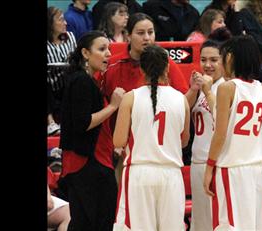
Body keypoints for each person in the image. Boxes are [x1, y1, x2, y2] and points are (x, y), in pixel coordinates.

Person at [99, 12, 197, 186]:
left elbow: (183, 104)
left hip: (161, 152)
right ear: (128, 35)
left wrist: (194, 90)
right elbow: (103, 107)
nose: (147, 38)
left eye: (150, 32)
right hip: (124, 153)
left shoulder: (165, 63)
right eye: (141, 33)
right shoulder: (112, 66)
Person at [112, 44, 190, 231]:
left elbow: (118, 141)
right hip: (171, 174)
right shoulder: (182, 99)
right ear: (168, 67)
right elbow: (184, 141)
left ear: (141, 68)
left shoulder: (130, 98)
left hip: (140, 174)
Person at [203, 35, 262, 230]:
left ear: (231, 57)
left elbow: (220, 133)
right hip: (258, 170)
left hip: (232, 169)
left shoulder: (227, 87)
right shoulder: (260, 87)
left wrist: (209, 167)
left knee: (229, 226)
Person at [59, 31, 126, 231]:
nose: (108, 54)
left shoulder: (88, 80)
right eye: (102, 49)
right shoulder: (82, 81)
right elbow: (83, 123)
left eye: (109, 49)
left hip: (94, 161)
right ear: (86, 53)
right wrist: (113, 106)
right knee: (92, 222)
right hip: (87, 164)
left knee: (91, 221)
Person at [188, 38, 227, 231]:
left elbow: (223, 120)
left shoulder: (226, 87)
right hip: (197, 160)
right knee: (200, 221)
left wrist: (207, 90)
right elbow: (181, 113)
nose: (208, 65)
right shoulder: (201, 86)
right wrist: (193, 90)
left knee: (218, 220)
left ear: (225, 60)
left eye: (213, 60)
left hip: (218, 162)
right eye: (203, 60)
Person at [47, 6, 78, 136]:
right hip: (50, 86)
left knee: (78, 78)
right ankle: (51, 123)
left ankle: (76, 121)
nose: (65, 23)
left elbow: (76, 59)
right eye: (60, 20)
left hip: (66, 82)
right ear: (50, 23)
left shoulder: (70, 37)